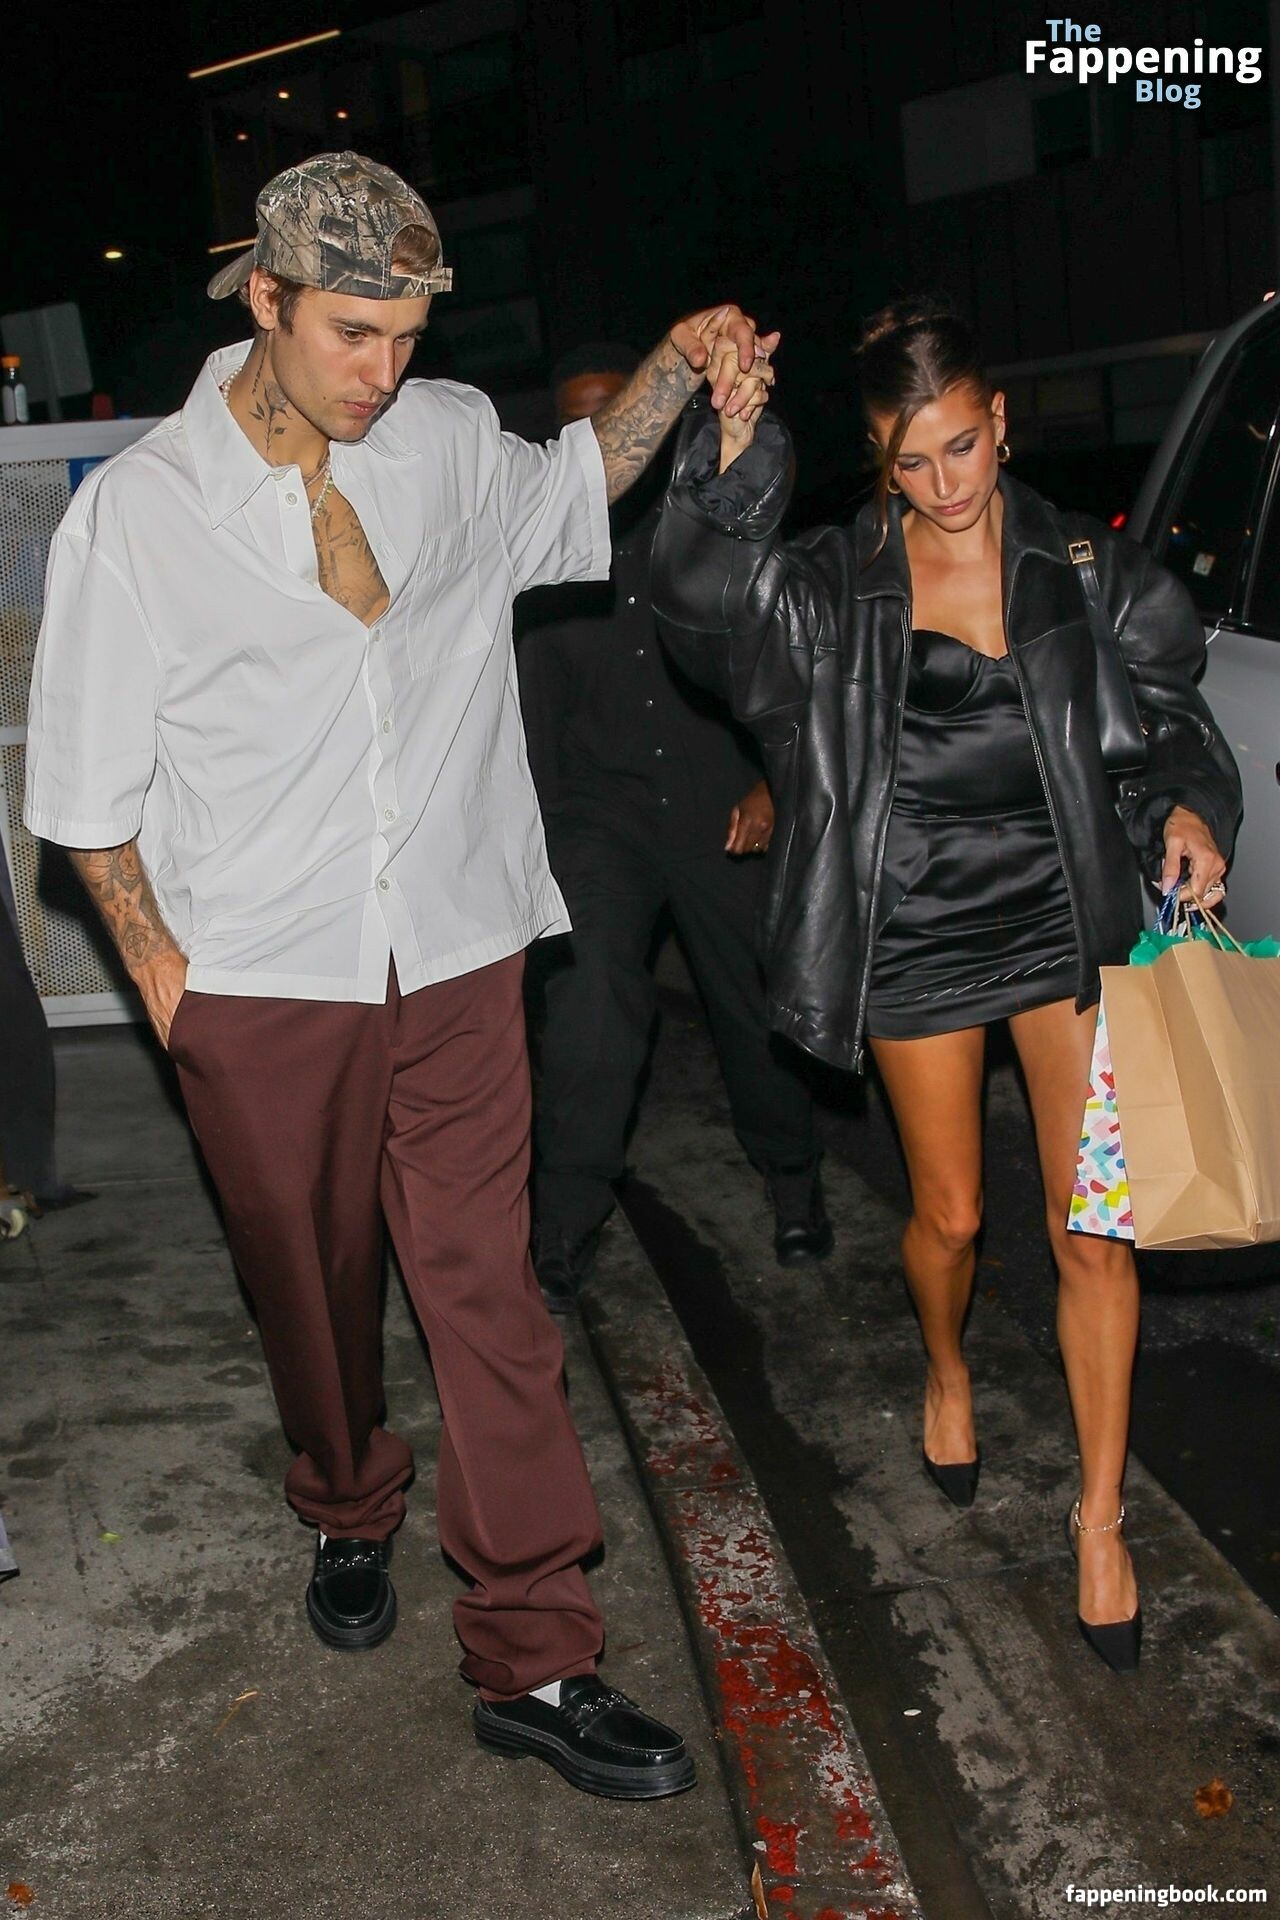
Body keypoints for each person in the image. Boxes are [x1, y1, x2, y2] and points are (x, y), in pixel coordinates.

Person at [23, 150, 775, 1795]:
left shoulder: (442, 444)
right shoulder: (140, 517)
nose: (384, 372)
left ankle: (536, 1653)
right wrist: (168, 988)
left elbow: (584, 479)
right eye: (352, 334)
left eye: (410, 337)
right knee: (314, 1301)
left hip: (451, 946)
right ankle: (346, 1498)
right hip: (261, 977)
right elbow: (81, 802)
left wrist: (676, 359)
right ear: (267, 301)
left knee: (488, 1294)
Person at [652, 300, 1241, 1674]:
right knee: (953, 1216)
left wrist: (1188, 806)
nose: (943, 482)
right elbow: (700, 618)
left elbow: (1172, 719)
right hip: (913, 920)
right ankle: (947, 1361)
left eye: (961, 446)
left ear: (1000, 422)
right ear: (878, 458)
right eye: (909, 461)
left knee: (1093, 1228)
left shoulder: (1085, 564)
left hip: (1066, 912)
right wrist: (730, 456)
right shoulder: (835, 579)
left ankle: (1099, 1520)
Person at [518, 342, 831, 1310]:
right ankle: (563, 1218)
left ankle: (792, 1175)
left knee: (755, 996)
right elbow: (531, 720)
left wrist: (772, 782)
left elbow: (790, 665)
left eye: (615, 409)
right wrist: (530, 858)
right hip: (598, 816)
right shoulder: (539, 554)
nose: (601, 433)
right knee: (589, 1002)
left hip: (718, 798)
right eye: (579, 422)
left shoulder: (716, 521)